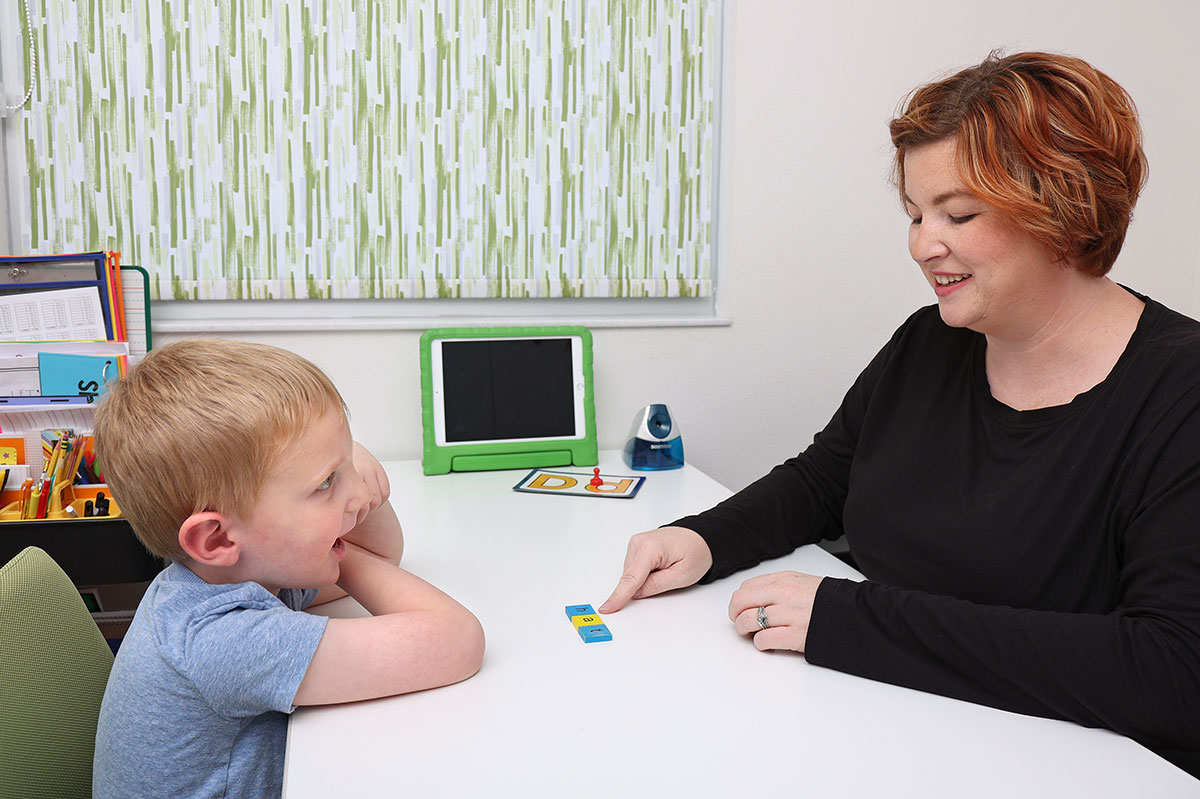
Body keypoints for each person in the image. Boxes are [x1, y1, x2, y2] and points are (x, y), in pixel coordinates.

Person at [600, 51, 1200, 771]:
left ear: (1064, 210)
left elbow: (1170, 673)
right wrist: (703, 539)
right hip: (877, 728)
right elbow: (827, 479)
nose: (921, 244)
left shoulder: (1180, 391)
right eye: (916, 213)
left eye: (958, 213)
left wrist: (844, 619)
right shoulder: (931, 340)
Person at [90, 338, 486, 799]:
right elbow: (457, 640)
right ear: (217, 538)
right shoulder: (226, 639)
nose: (358, 496)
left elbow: (380, 558)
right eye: (325, 485)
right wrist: (332, 541)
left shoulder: (249, 571)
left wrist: (339, 490)